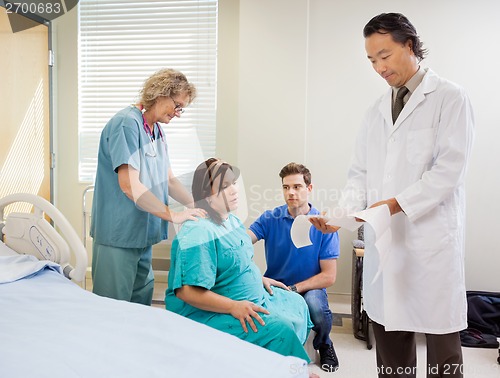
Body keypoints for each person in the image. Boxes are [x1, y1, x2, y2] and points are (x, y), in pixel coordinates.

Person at [310, 13, 475, 378]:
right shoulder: (375, 111)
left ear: (410, 46)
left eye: (384, 56)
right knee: (389, 339)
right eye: (371, 60)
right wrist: (339, 215)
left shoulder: (449, 97)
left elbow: (449, 171)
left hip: (430, 242)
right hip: (385, 243)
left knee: (441, 352)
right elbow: (360, 176)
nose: (379, 68)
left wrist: (395, 205)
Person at [165, 158, 314, 365]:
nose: (234, 190)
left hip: (249, 295)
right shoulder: (199, 232)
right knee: (281, 329)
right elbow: (186, 291)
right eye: (224, 187)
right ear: (207, 196)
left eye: (234, 183)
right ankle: (290, 369)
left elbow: (238, 260)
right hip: (213, 310)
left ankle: (281, 364)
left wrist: (259, 279)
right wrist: (233, 307)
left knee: (296, 302)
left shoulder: (232, 221)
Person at [90, 68, 205, 305]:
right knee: (112, 308)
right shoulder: (126, 124)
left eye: (181, 108)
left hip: (143, 236)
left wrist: (197, 207)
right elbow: (129, 185)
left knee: (140, 307)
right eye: (177, 105)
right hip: (119, 235)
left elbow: (169, 179)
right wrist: (173, 214)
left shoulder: (156, 131)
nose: (178, 113)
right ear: (161, 94)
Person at [248, 162, 340, 373]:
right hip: (275, 284)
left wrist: (295, 289)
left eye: (297, 187)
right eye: (286, 187)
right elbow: (242, 242)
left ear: (309, 188)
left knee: (315, 304)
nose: (290, 192)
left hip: (309, 288)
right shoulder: (270, 218)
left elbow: (329, 276)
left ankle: (325, 344)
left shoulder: (323, 224)